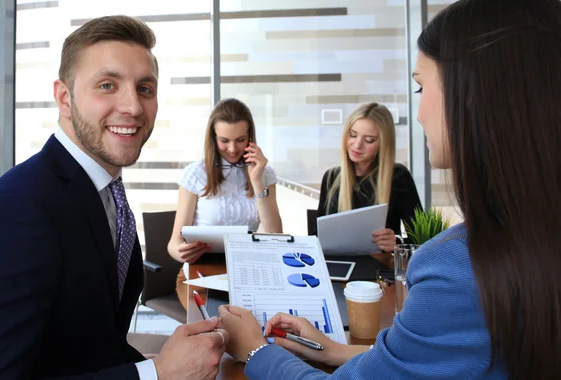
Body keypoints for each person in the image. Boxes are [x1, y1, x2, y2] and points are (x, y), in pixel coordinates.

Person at [219, 0, 561, 378]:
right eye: (353, 136)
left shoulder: (453, 269)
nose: (419, 112)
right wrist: (333, 349)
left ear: (472, 96)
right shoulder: (334, 176)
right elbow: (414, 362)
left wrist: (253, 349)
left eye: (420, 88)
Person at [0, 15, 228, 380]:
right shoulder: (15, 212)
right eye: (107, 85)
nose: (133, 107)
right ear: (64, 97)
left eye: (145, 88)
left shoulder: (102, 190)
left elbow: (92, 342)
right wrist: (156, 374)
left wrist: (159, 361)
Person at [168, 98, 283, 308]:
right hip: (202, 273)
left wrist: (257, 182)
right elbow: (174, 243)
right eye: (224, 140)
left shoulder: (264, 173)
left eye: (240, 139)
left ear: (250, 136)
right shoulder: (195, 174)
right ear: (213, 138)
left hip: (248, 271)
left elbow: (275, 233)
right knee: (220, 323)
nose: (232, 148)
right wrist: (181, 251)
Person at [312, 102, 422, 252]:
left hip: (379, 267)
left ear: (383, 144)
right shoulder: (332, 177)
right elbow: (316, 238)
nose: (357, 145)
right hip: (337, 266)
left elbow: (422, 238)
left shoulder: (398, 176)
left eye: (369, 140)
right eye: (353, 135)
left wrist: (398, 242)